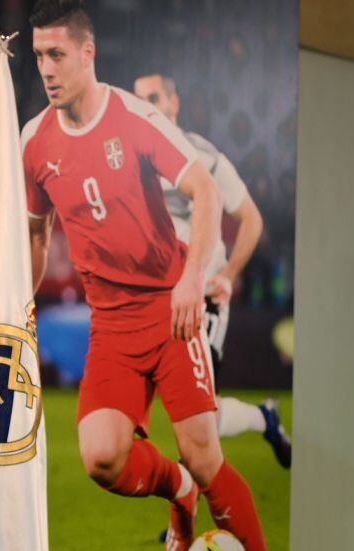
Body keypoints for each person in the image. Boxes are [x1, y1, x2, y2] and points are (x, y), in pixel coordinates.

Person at [21, 0, 280, 551]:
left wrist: (194, 278)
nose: (47, 69)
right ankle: (180, 494)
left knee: (205, 452)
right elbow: (36, 231)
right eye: (38, 56)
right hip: (109, 322)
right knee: (101, 458)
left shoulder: (135, 119)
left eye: (57, 54)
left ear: (88, 53)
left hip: (171, 310)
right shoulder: (33, 143)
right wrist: (21, 305)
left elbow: (206, 190)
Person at [132, 71, 291, 469]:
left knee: (198, 414)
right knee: (198, 413)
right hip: (157, 298)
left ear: (174, 103)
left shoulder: (202, 155)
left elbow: (251, 219)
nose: (145, 107)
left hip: (203, 297)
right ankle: (264, 418)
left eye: (153, 98)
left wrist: (228, 275)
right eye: (137, 100)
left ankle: (179, 529)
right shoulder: (128, 158)